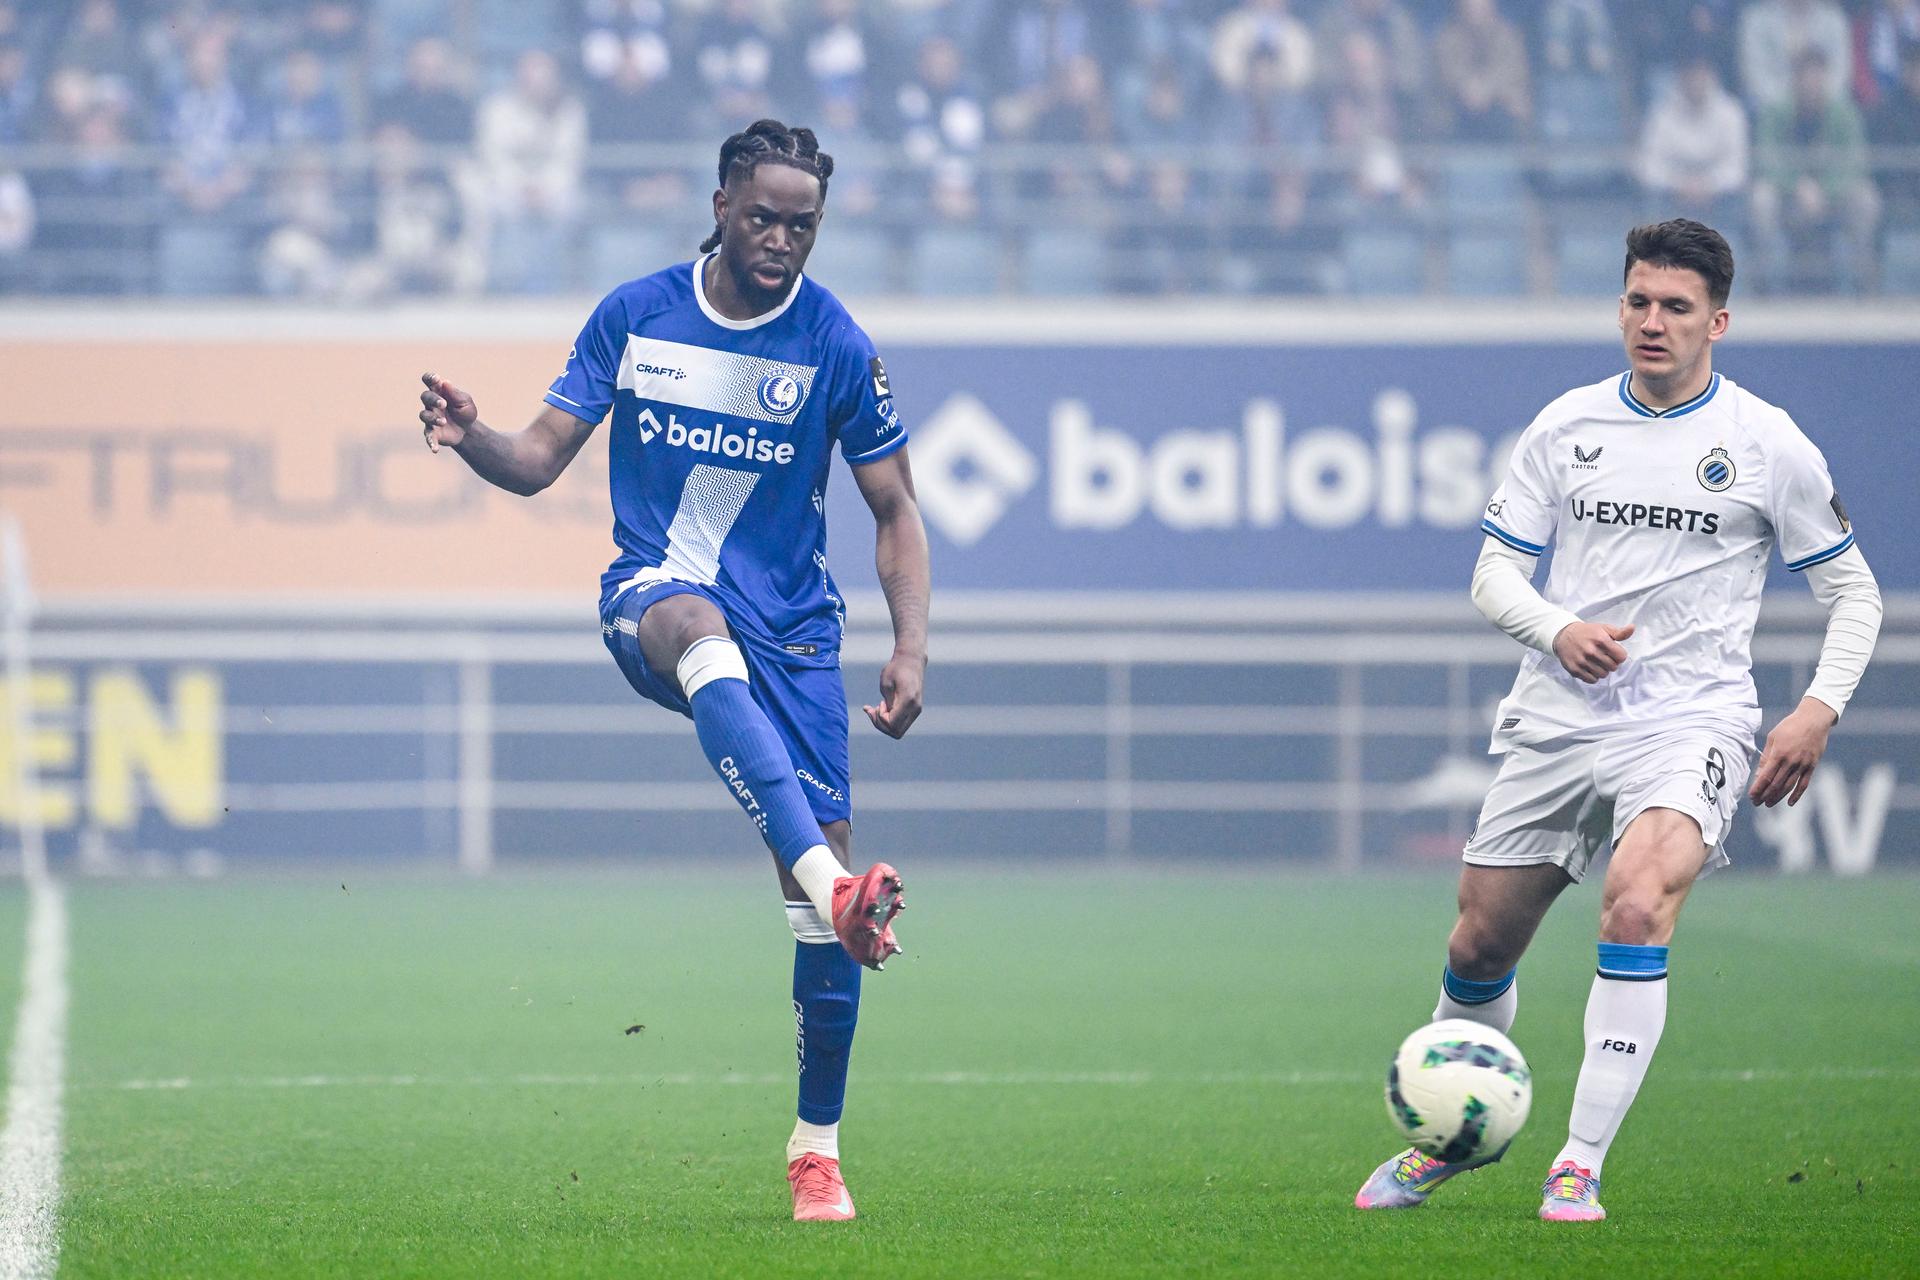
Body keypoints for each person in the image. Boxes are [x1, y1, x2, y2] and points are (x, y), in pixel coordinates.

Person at [416, 119, 927, 1225]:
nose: (782, 239)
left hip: (795, 636)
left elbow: (895, 506)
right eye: (764, 217)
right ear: (721, 205)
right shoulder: (636, 315)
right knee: (696, 622)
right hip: (655, 597)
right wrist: (473, 435)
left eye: (803, 224)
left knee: (814, 917)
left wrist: (910, 646)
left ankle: (817, 1150)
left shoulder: (836, 342)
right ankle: (837, 890)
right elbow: (538, 459)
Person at [1354, 219, 1882, 1222]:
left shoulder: (1767, 443)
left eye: (1677, 306)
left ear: (1718, 322)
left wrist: (1816, 710)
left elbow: (1856, 595)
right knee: (1477, 946)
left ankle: (1579, 1161)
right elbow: (1493, 573)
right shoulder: (1568, 426)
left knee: (1637, 905)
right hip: (1560, 716)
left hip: (1690, 720)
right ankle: (1452, 1136)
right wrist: (1558, 630)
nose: (1652, 321)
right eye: (1638, 301)